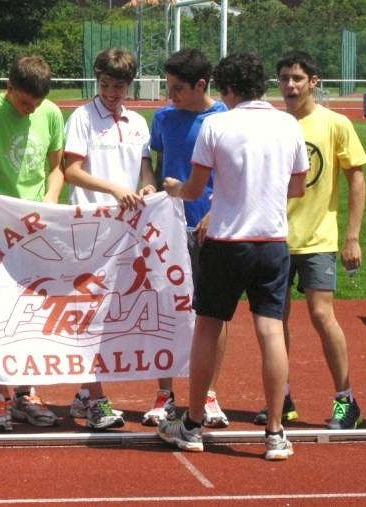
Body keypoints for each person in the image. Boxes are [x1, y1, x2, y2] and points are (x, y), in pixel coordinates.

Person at [159, 52, 309, 461]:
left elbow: (193, 190)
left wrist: (173, 187)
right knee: (271, 331)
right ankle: (276, 433)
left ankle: (191, 425)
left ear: (227, 89)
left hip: (226, 241)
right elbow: (298, 187)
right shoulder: (288, 124)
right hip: (273, 241)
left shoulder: (217, 124)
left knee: (208, 326)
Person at [252, 50, 366, 430]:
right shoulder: (271, 124)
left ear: (313, 82)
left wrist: (351, 236)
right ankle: (281, 397)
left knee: (321, 315)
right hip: (274, 237)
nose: (289, 85)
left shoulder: (335, 124)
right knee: (275, 320)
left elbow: (356, 179)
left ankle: (345, 398)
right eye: (284, 78)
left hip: (318, 238)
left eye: (297, 78)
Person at [0, 55, 64, 431]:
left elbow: (55, 168)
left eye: (36, 105)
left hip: (37, 227)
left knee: (35, 311)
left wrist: (51, 201)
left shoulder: (52, 113)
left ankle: (26, 392)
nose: (30, 111)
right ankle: (0, 398)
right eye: (24, 103)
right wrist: (9, 212)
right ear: (9, 89)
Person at [63, 48, 155, 430]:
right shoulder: (82, 118)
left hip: (126, 233)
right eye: (104, 84)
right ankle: (97, 399)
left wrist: (146, 190)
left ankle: (85, 395)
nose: (111, 92)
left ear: (129, 85)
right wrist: (116, 190)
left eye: (118, 86)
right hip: (88, 230)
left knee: (115, 315)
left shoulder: (138, 123)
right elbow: (71, 171)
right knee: (91, 316)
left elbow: (146, 171)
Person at [144, 48, 230, 429]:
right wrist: (148, 185)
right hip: (168, 228)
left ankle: (208, 394)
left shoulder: (226, 119)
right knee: (165, 308)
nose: (170, 94)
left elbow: (233, 175)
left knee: (212, 313)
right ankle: (165, 393)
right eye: (168, 86)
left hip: (213, 229)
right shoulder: (163, 118)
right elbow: (153, 162)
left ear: (201, 85)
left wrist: (216, 213)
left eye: (177, 88)